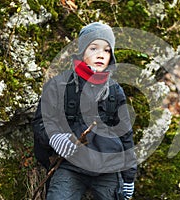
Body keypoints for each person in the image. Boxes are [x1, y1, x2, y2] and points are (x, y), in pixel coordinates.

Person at [33, 22, 137, 200]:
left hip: (107, 168)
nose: (100, 55)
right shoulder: (60, 85)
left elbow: (125, 135)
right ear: (82, 52)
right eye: (93, 48)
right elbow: (42, 121)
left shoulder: (115, 91)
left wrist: (129, 178)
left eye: (106, 50)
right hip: (70, 165)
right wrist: (56, 138)